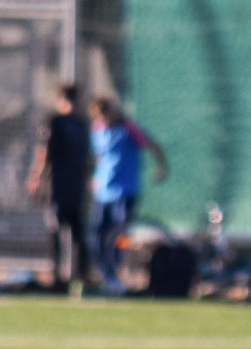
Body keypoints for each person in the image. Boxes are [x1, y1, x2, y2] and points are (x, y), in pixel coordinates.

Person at [88, 97, 168, 295]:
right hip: (102, 193)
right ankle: (106, 276)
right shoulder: (96, 130)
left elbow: (153, 145)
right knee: (98, 236)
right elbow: (97, 157)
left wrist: (162, 167)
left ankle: (118, 273)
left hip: (124, 192)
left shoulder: (127, 128)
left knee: (118, 235)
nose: (104, 119)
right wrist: (93, 177)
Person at [24, 83, 93, 293]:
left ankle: (68, 278)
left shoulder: (69, 123)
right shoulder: (71, 124)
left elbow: (45, 153)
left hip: (65, 188)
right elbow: (45, 152)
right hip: (66, 188)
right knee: (66, 233)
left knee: (67, 234)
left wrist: (35, 177)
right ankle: (68, 278)